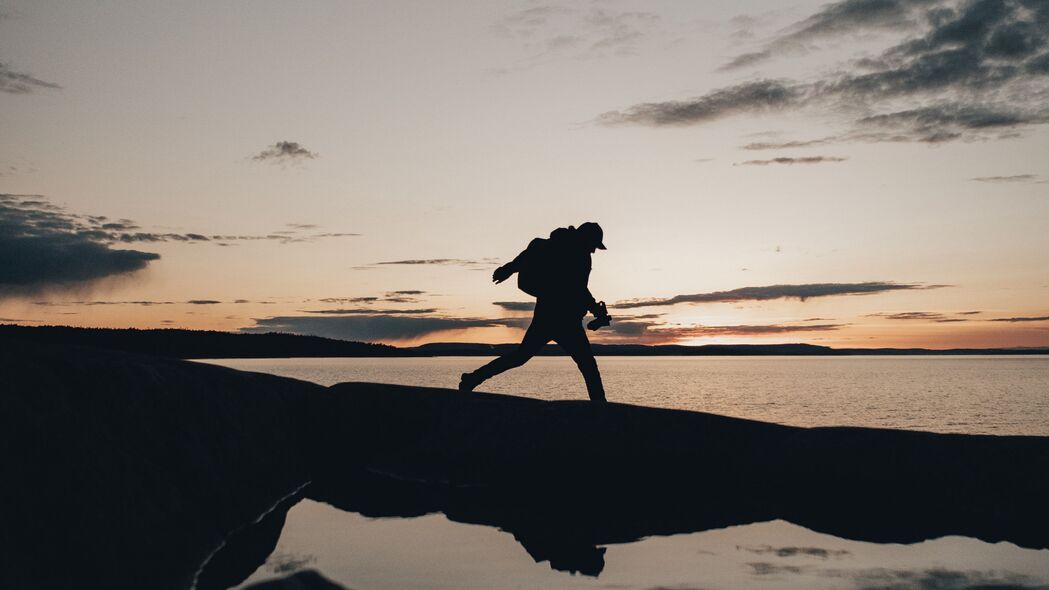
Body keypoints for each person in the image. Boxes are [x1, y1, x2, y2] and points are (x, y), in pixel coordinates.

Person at [459, 222, 611, 402]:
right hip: (564, 320)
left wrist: (508, 269)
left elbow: (529, 257)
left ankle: (472, 379)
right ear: (586, 239)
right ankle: (600, 407)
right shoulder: (576, 254)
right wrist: (595, 309)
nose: (593, 251)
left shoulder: (561, 246)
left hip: (548, 315)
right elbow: (577, 288)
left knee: (521, 356)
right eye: (593, 245)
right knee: (588, 365)